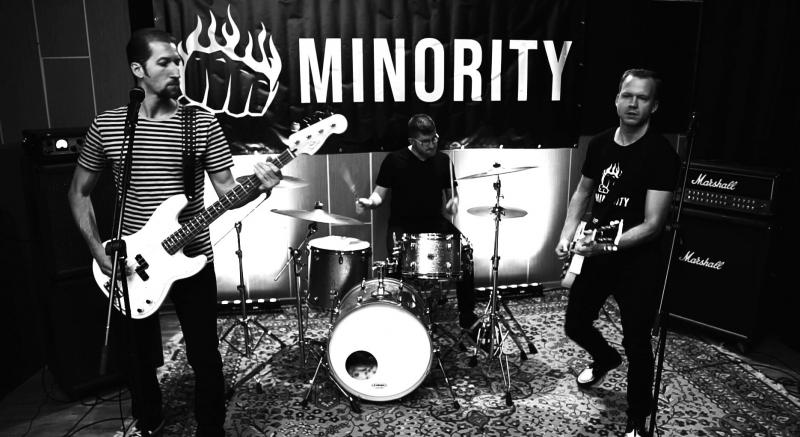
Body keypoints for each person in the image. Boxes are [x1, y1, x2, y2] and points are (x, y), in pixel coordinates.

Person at [67, 28, 282, 437]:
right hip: (131, 262)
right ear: (138, 69)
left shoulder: (201, 123)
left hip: (192, 255)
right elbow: (78, 192)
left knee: (204, 353)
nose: (176, 70)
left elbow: (227, 192)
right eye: (164, 62)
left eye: (178, 61)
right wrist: (97, 249)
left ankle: (211, 426)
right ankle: (150, 421)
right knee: (136, 357)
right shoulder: (110, 125)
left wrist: (259, 184)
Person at [554, 69, 680, 437]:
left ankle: (637, 418)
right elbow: (583, 192)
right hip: (598, 255)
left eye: (642, 97)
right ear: (616, 99)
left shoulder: (661, 154)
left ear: (654, 106)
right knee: (575, 324)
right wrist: (567, 233)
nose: (633, 103)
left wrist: (606, 244)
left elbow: (653, 224)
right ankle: (605, 358)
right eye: (627, 95)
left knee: (637, 343)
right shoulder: (599, 143)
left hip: (638, 262)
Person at [356, 114, 478, 332]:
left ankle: (467, 316)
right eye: (425, 141)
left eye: (434, 138)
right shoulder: (394, 160)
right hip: (403, 226)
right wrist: (369, 202)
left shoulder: (443, 161)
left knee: (465, 252)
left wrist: (453, 202)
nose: (431, 144)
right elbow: (378, 195)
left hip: (434, 223)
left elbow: (452, 195)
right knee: (395, 267)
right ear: (412, 141)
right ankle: (394, 319)